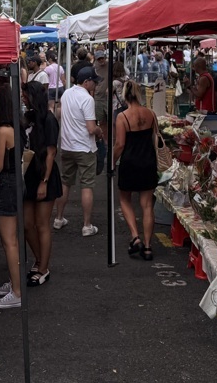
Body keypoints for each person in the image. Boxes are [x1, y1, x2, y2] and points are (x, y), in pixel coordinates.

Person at [112, 79, 159, 261]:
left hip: (130, 162)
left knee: (125, 198)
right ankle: (148, 246)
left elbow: (120, 144)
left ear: (124, 95)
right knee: (147, 205)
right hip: (148, 160)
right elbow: (155, 138)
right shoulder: (151, 114)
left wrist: (112, 162)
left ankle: (135, 236)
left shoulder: (122, 117)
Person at [54, 66, 104, 235]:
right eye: (94, 82)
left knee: (65, 182)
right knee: (87, 185)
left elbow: (60, 113)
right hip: (84, 147)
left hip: (67, 146)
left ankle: (59, 218)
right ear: (86, 82)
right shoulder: (87, 100)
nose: (95, 85)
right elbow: (91, 128)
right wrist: (99, 130)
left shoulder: (67, 93)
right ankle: (87, 225)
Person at [22, 81, 61, 286]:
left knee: (42, 224)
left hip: (44, 176)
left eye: (26, 95)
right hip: (28, 175)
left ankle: (44, 268)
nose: (23, 98)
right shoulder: (28, 118)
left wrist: (44, 182)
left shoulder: (49, 120)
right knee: (27, 224)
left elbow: (51, 152)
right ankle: (39, 260)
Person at [0, 84, 23, 310]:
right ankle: (14, 282)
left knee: (9, 241)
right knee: (9, 240)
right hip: (16, 183)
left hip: (7, 184)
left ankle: (17, 292)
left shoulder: (1, 131)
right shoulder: (17, 125)